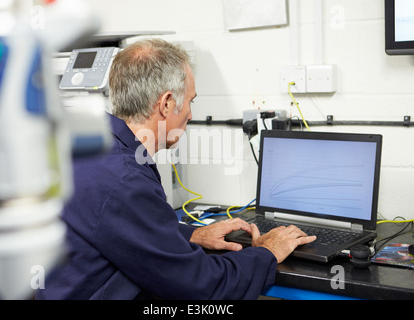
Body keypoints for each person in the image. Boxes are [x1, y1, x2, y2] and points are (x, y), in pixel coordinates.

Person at [36, 38, 316, 300]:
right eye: (190, 101)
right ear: (167, 103)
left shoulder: (92, 148)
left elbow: (123, 232)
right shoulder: (126, 180)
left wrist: (190, 234)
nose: (191, 115)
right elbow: (202, 285)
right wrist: (267, 252)